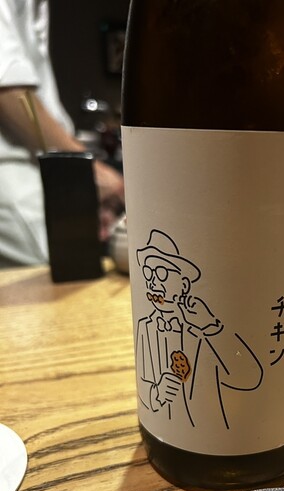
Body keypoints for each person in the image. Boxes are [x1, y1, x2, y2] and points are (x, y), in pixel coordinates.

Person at [0, 0, 124, 268]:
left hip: (40, 169)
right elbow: (8, 89)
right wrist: (87, 169)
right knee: (63, 276)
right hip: (13, 174)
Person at [135, 229, 263, 433]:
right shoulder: (145, 327)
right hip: (162, 426)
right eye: (149, 273)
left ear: (184, 285)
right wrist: (156, 393)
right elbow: (143, 384)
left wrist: (212, 328)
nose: (153, 282)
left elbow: (249, 377)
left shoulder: (203, 327)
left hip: (213, 430)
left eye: (161, 273)